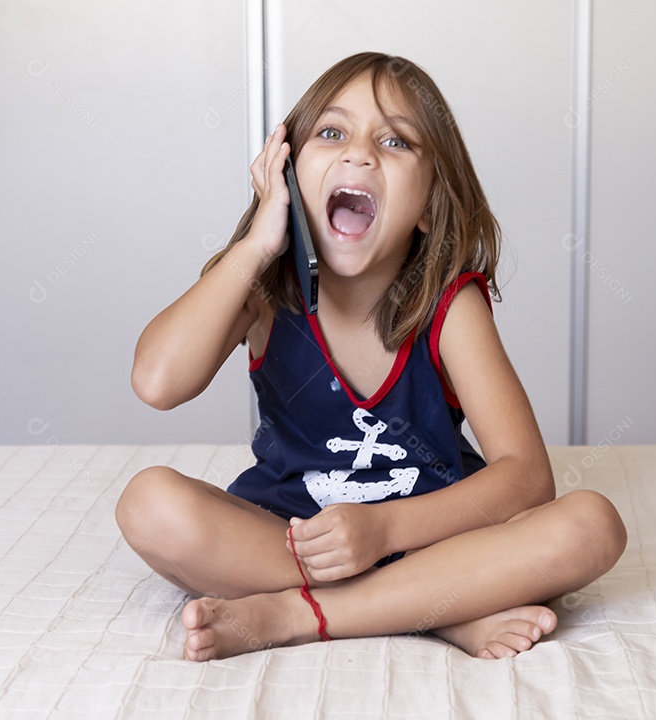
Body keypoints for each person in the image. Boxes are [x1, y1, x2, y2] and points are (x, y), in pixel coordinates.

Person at [116, 52, 626, 662]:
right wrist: (256, 243)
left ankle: (302, 614)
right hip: (294, 538)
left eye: (396, 141)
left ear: (431, 201)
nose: (359, 153)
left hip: (431, 537)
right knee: (148, 505)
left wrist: (382, 530)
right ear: (286, 171)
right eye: (331, 133)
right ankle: (433, 610)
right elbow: (157, 381)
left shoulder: (449, 306)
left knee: (591, 524)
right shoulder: (260, 291)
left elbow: (527, 478)